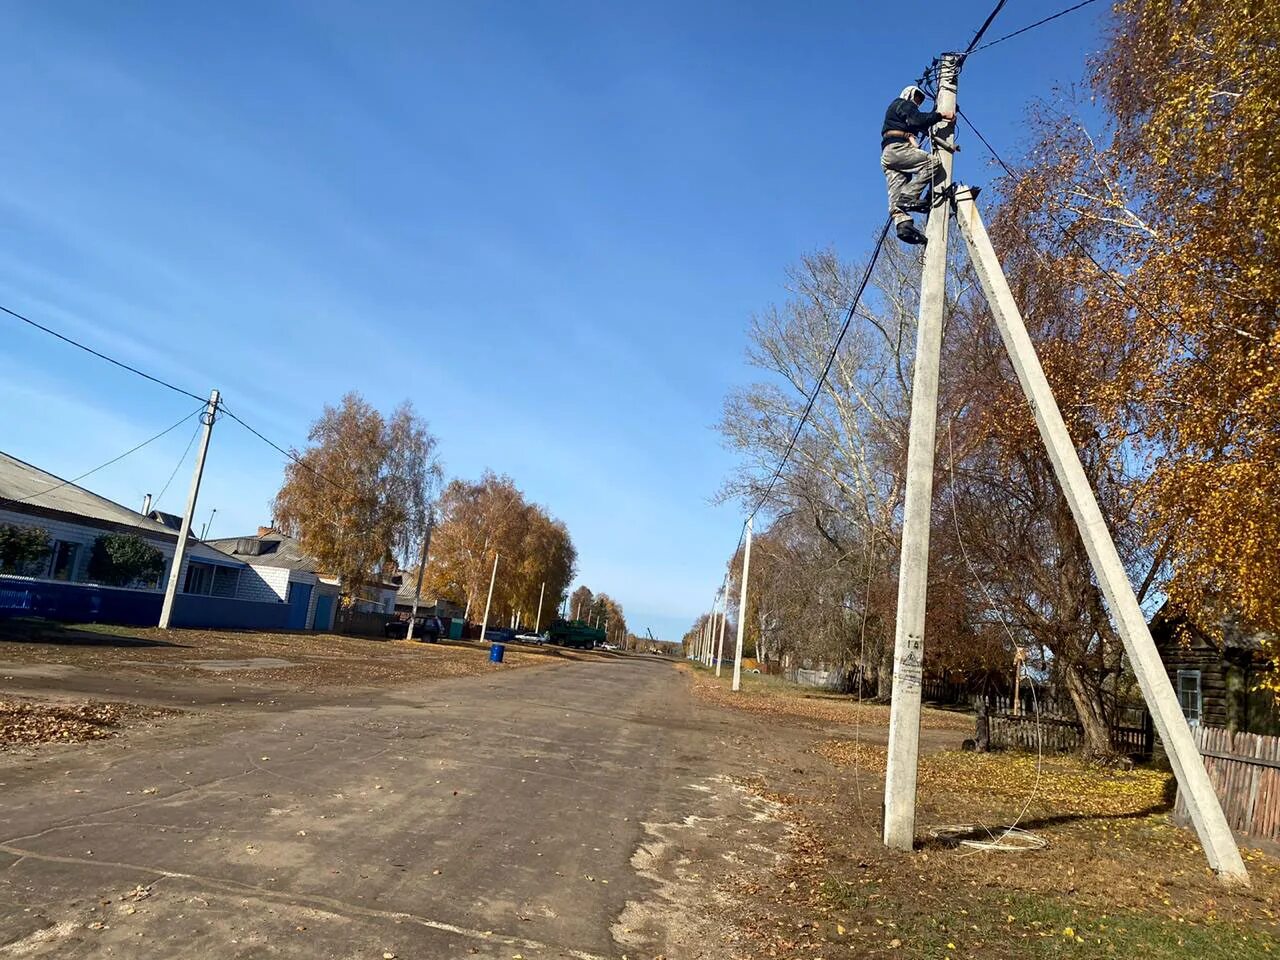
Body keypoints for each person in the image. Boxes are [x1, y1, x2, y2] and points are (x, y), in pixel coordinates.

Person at [881, 85, 954, 245]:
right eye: (916, 98)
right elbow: (918, 119)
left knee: (896, 194)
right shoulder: (902, 103)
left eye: (920, 101)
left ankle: (903, 225)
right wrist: (942, 114)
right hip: (897, 149)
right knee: (932, 162)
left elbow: (922, 123)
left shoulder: (898, 114)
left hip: (889, 155)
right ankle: (909, 197)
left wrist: (933, 117)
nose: (916, 103)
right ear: (908, 95)